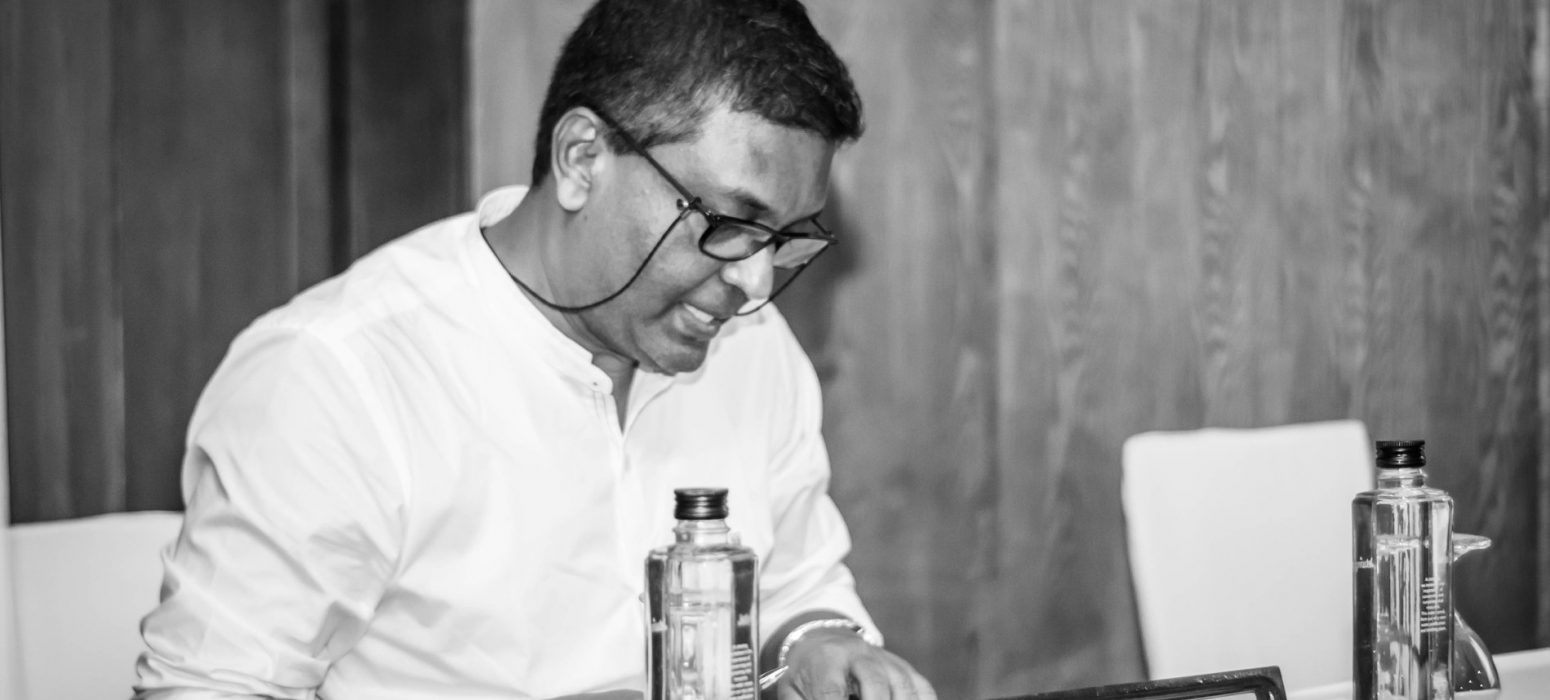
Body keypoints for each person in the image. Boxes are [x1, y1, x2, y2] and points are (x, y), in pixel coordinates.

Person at [135, 0, 935, 698]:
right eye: (729, 224)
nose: (755, 283)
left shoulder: (752, 349)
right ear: (582, 158)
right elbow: (208, 687)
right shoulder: (336, 378)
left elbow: (797, 586)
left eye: (784, 240)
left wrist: (818, 646)